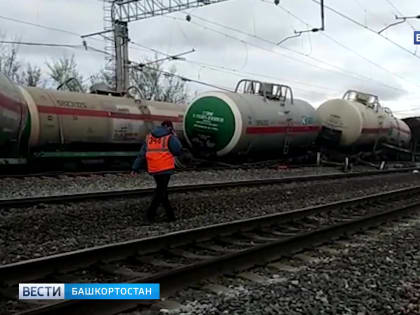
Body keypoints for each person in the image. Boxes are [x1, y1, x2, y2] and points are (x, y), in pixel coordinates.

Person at [131, 120, 182, 223]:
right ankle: (149, 216)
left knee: (162, 191)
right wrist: (175, 136)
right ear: (169, 127)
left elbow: (142, 154)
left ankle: (171, 216)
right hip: (165, 168)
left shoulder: (149, 137)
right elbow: (177, 150)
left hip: (154, 168)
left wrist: (135, 168)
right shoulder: (169, 136)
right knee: (160, 193)